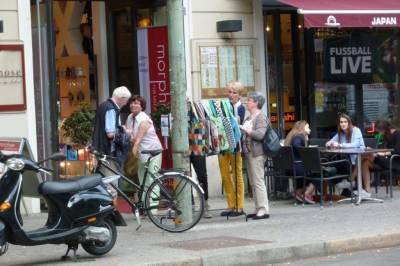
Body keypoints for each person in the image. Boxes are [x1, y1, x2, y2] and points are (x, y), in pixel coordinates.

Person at [92, 86, 131, 204]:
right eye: (126, 100)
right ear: (121, 98)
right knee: (111, 182)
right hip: (108, 151)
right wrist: (125, 132)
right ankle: (110, 211)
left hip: (101, 149)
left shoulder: (104, 105)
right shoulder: (111, 109)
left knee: (104, 180)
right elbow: (110, 134)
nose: (126, 103)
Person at [125, 95, 163, 204]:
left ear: (142, 106)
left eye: (136, 103)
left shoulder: (144, 119)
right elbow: (128, 136)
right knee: (142, 181)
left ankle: (153, 209)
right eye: (132, 103)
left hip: (152, 152)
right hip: (141, 153)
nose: (133, 105)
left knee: (152, 180)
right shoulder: (130, 117)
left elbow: (137, 140)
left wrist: (130, 157)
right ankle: (145, 206)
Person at [240, 92, 270, 220]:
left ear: (256, 103)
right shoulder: (248, 118)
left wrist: (247, 131)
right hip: (249, 152)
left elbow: (260, 134)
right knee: (253, 182)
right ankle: (257, 207)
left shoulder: (261, 117)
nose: (247, 102)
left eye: (250, 100)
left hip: (257, 153)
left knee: (258, 181)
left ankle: (263, 209)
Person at [218, 81, 246, 217]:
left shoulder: (241, 108)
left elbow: (238, 124)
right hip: (223, 144)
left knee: (237, 175)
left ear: (239, 95)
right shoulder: (223, 106)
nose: (231, 95)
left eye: (234, 92)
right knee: (224, 175)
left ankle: (239, 206)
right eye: (229, 92)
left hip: (236, 145)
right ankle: (231, 204)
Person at [325, 114, 365, 196]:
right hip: (347, 159)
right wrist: (330, 143)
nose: (343, 124)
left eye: (345, 122)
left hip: (358, 158)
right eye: (341, 122)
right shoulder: (341, 133)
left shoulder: (356, 130)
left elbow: (356, 144)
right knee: (334, 163)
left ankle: (349, 183)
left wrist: (340, 145)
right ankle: (346, 187)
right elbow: (329, 142)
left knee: (339, 164)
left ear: (349, 123)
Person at [361, 120, 400, 195]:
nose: (379, 133)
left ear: (384, 128)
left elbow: (398, 151)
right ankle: (367, 191)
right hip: (387, 161)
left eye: (379, 131)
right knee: (365, 162)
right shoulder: (386, 135)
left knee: (367, 156)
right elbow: (383, 149)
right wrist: (374, 150)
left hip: (395, 162)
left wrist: (382, 154)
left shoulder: (398, 134)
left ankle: (351, 179)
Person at [188, 101, 212, 218]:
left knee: (202, 175)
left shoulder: (195, 107)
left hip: (197, 143)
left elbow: (206, 122)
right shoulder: (173, 108)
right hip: (182, 146)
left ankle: (205, 204)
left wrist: (207, 142)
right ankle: (189, 205)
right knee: (184, 177)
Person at [283, 120, 315, 204]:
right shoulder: (299, 136)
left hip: (291, 167)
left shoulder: (293, 135)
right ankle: (306, 194)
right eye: (308, 127)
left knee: (311, 170)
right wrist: (305, 150)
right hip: (298, 167)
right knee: (319, 172)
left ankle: (298, 192)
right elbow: (296, 145)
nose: (310, 129)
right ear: (302, 128)